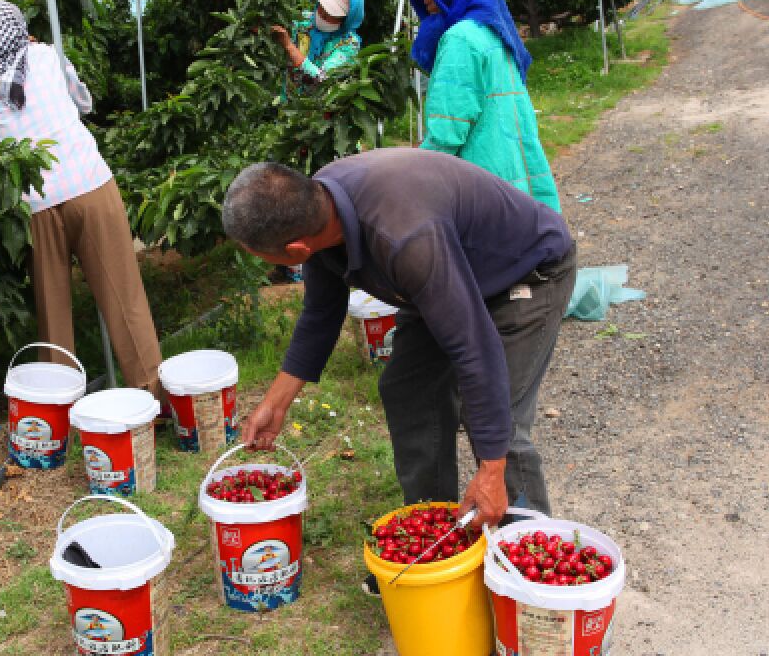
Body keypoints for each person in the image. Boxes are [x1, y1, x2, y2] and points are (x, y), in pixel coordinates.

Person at [221, 149, 576, 586]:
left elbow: (475, 351)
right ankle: (435, 540)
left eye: (256, 254)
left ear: (295, 249)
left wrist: (490, 469)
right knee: (409, 389)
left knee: (503, 423)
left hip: (525, 274)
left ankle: (533, 566)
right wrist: (276, 403)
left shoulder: (405, 237)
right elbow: (320, 315)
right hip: (448, 276)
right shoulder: (319, 207)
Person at [0, 0, 162, 396]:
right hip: (88, 183)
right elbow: (83, 103)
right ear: (21, 28)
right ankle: (152, 396)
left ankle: (59, 410)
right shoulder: (47, 56)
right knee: (124, 296)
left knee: (52, 312)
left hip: (36, 202)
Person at [393, 0, 562, 212]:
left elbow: (447, 131)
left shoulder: (460, 39)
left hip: (481, 184)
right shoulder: (493, 32)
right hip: (513, 174)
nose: (424, 1)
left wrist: (408, 181)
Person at [270, 0, 365, 100]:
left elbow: (323, 79)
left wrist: (289, 46)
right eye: (322, 7)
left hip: (315, 112)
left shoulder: (349, 44)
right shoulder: (305, 21)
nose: (323, 15)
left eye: (331, 14)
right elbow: (278, 29)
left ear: (346, 19)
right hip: (287, 101)